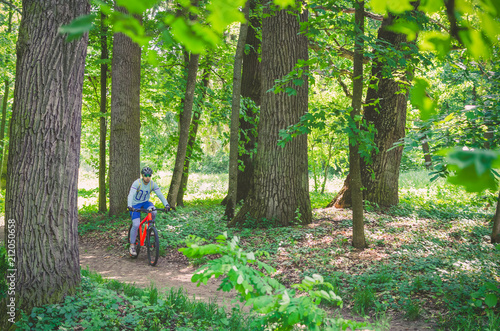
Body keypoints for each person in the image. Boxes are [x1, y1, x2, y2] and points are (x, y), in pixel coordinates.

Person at [127, 166, 170, 257]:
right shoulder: (137, 183)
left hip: (145, 203)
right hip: (135, 204)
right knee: (136, 224)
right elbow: (131, 194)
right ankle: (132, 245)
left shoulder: (152, 184)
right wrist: (129, 205)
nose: (147, 177)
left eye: (149, 175)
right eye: (146, 175)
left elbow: (160, 194)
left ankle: (150, 228)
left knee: (154, 211)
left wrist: (166, 204)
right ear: (142, 175)